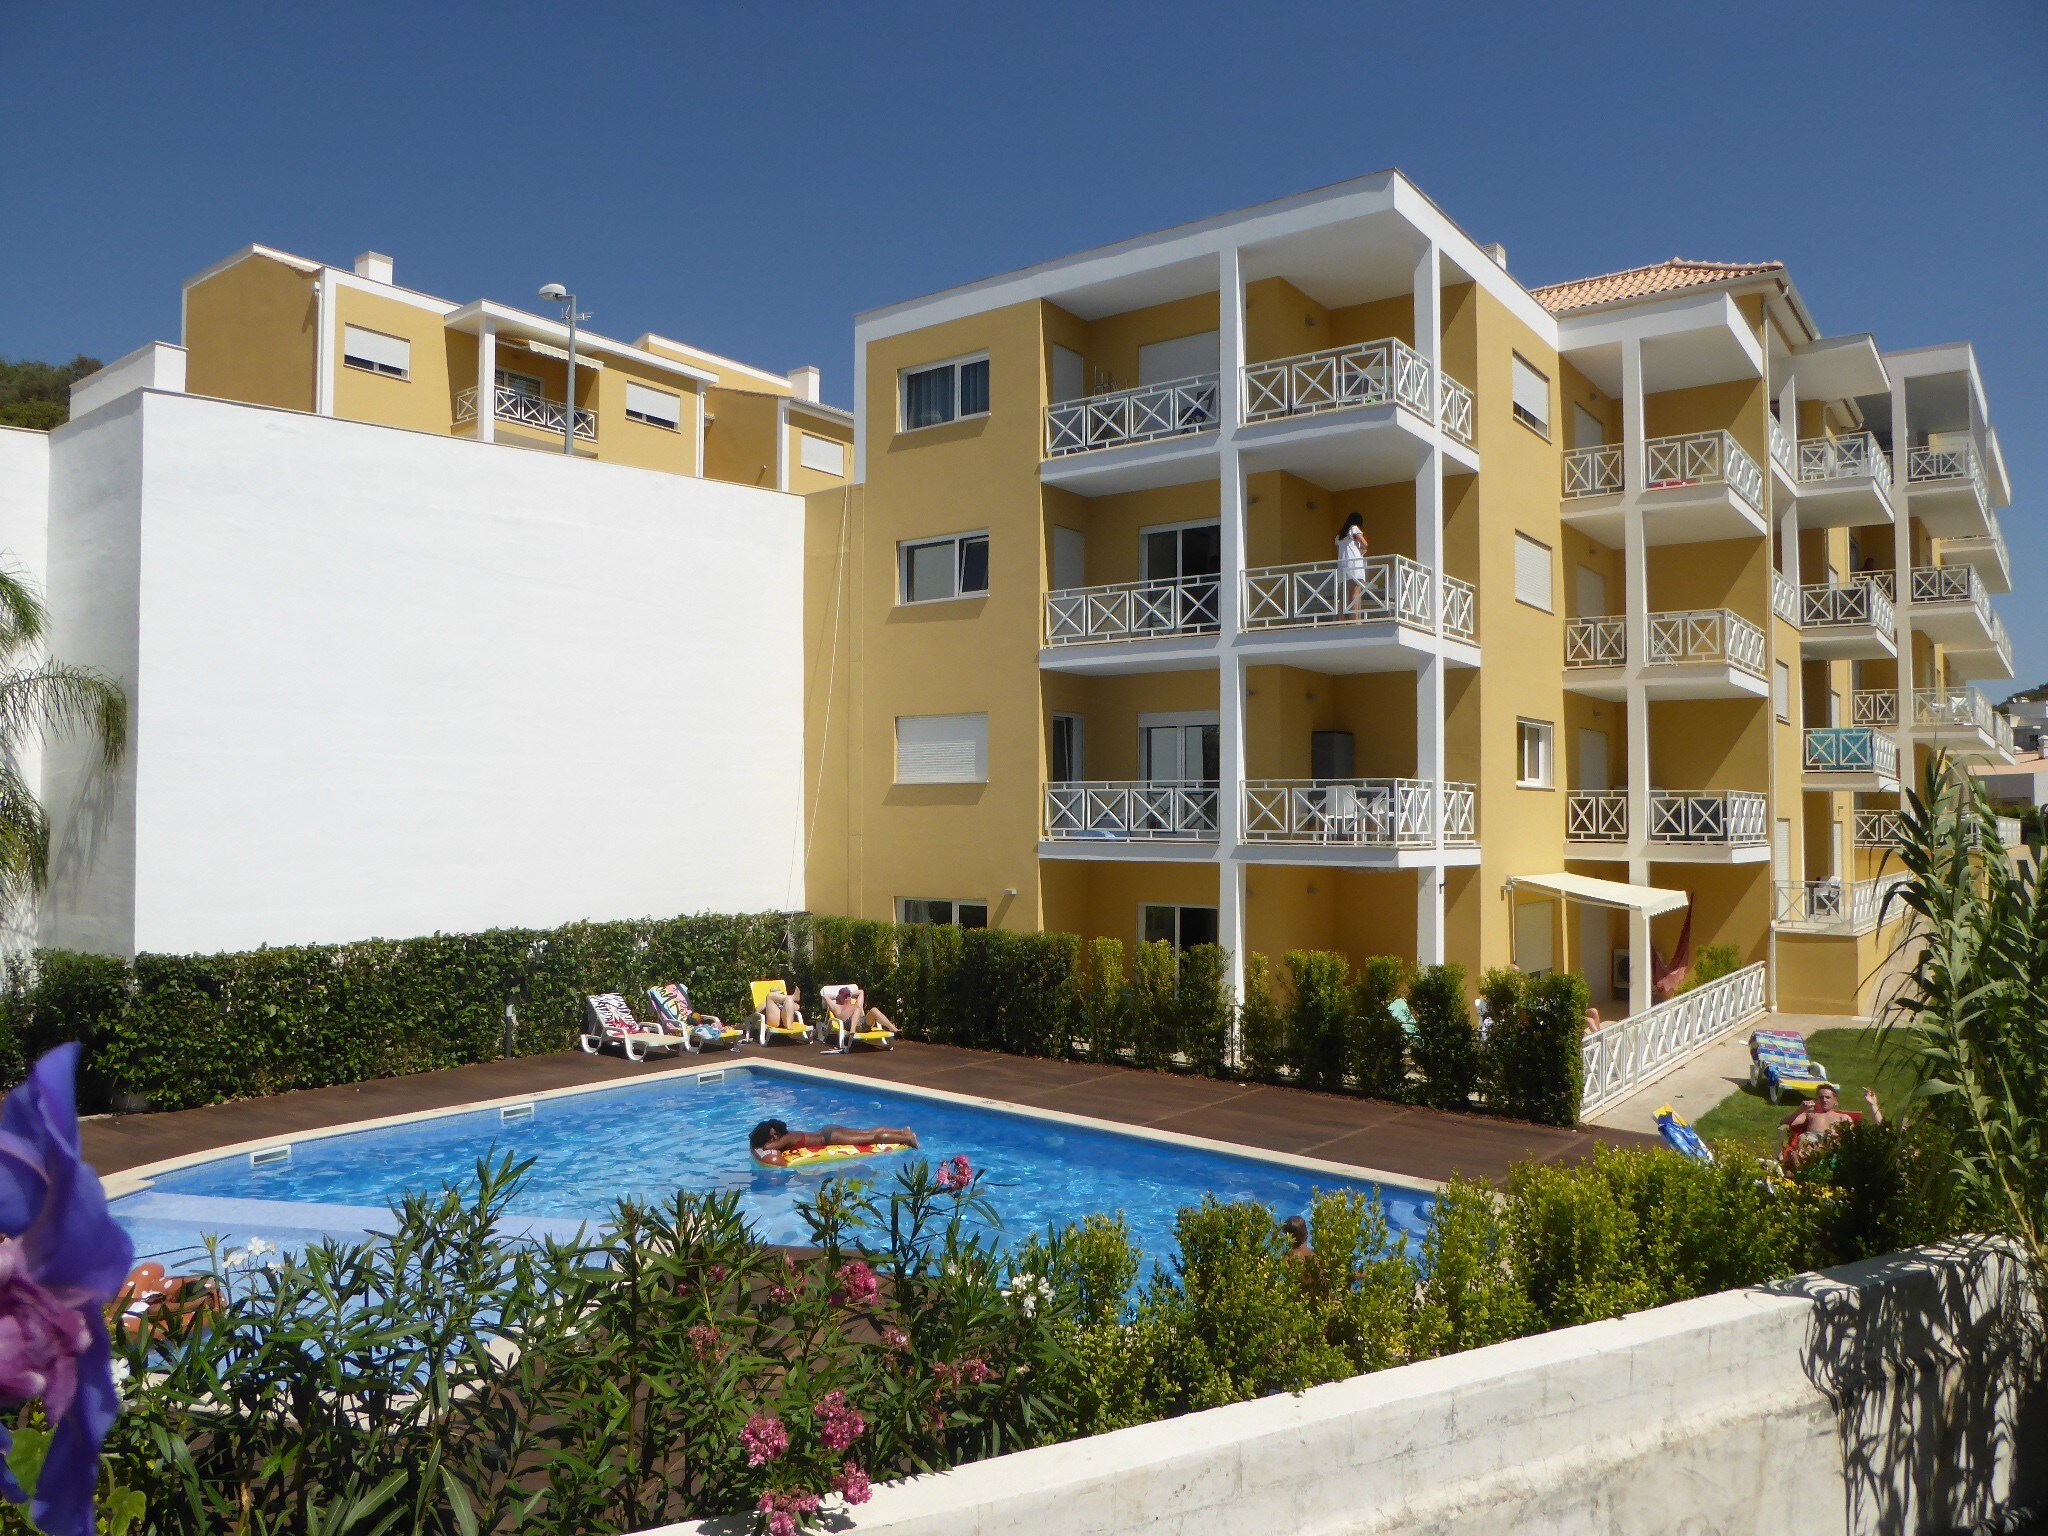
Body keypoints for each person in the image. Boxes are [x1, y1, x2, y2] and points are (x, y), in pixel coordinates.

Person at [1779, 1084, 1880, 1167]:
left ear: (1836, 1101)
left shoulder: (1843, 1117)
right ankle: (1800, 1168)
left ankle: (1800, 1168)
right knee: (1804, 1146)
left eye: (1828, 1097)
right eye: (1821, 1097)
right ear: (1817, 1100)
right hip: (1809, 1141)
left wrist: (1873, 1104)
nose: (1824, 1100)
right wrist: (1800, 1109)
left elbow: (1853, 1136)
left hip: (1830, 1144)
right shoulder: (1810, 1114)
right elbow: (1786, 1122)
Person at [749, 1118, 919, 1167]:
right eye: (771, 1136)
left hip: (831, 1138)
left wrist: (758, 1140)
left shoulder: (785, 1138)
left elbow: (766, 1147)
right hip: (828, 1130)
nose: (774, 1139)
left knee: (872, 1137)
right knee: (870, 1132)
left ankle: (907, 1139)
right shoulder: (787, 1135)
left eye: (774, 1135)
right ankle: (901, 1132)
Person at [826, 984, 897, 1042]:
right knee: (857, 1009)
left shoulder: (856, 1004)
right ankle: (852, 1030)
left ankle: (892, 1028)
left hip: (863, 1023)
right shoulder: (837, 1007)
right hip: (849, 1024)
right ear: (840, 997)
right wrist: (837, 997)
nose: (847, 998)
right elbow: (825, 996)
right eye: (845, 996)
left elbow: (861, 992)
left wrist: (850, 994)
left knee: (874, 1010)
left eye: (848, 996)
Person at [1335, 513, 1369, 618]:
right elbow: (1365, 544)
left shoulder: (1340, 536)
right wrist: (1362, 550)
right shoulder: (1354, 528)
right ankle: (1356, 619)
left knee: (1344, 594)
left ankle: (1341, 619)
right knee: (1355, 592)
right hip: (1354, 564)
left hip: (1343, 566)